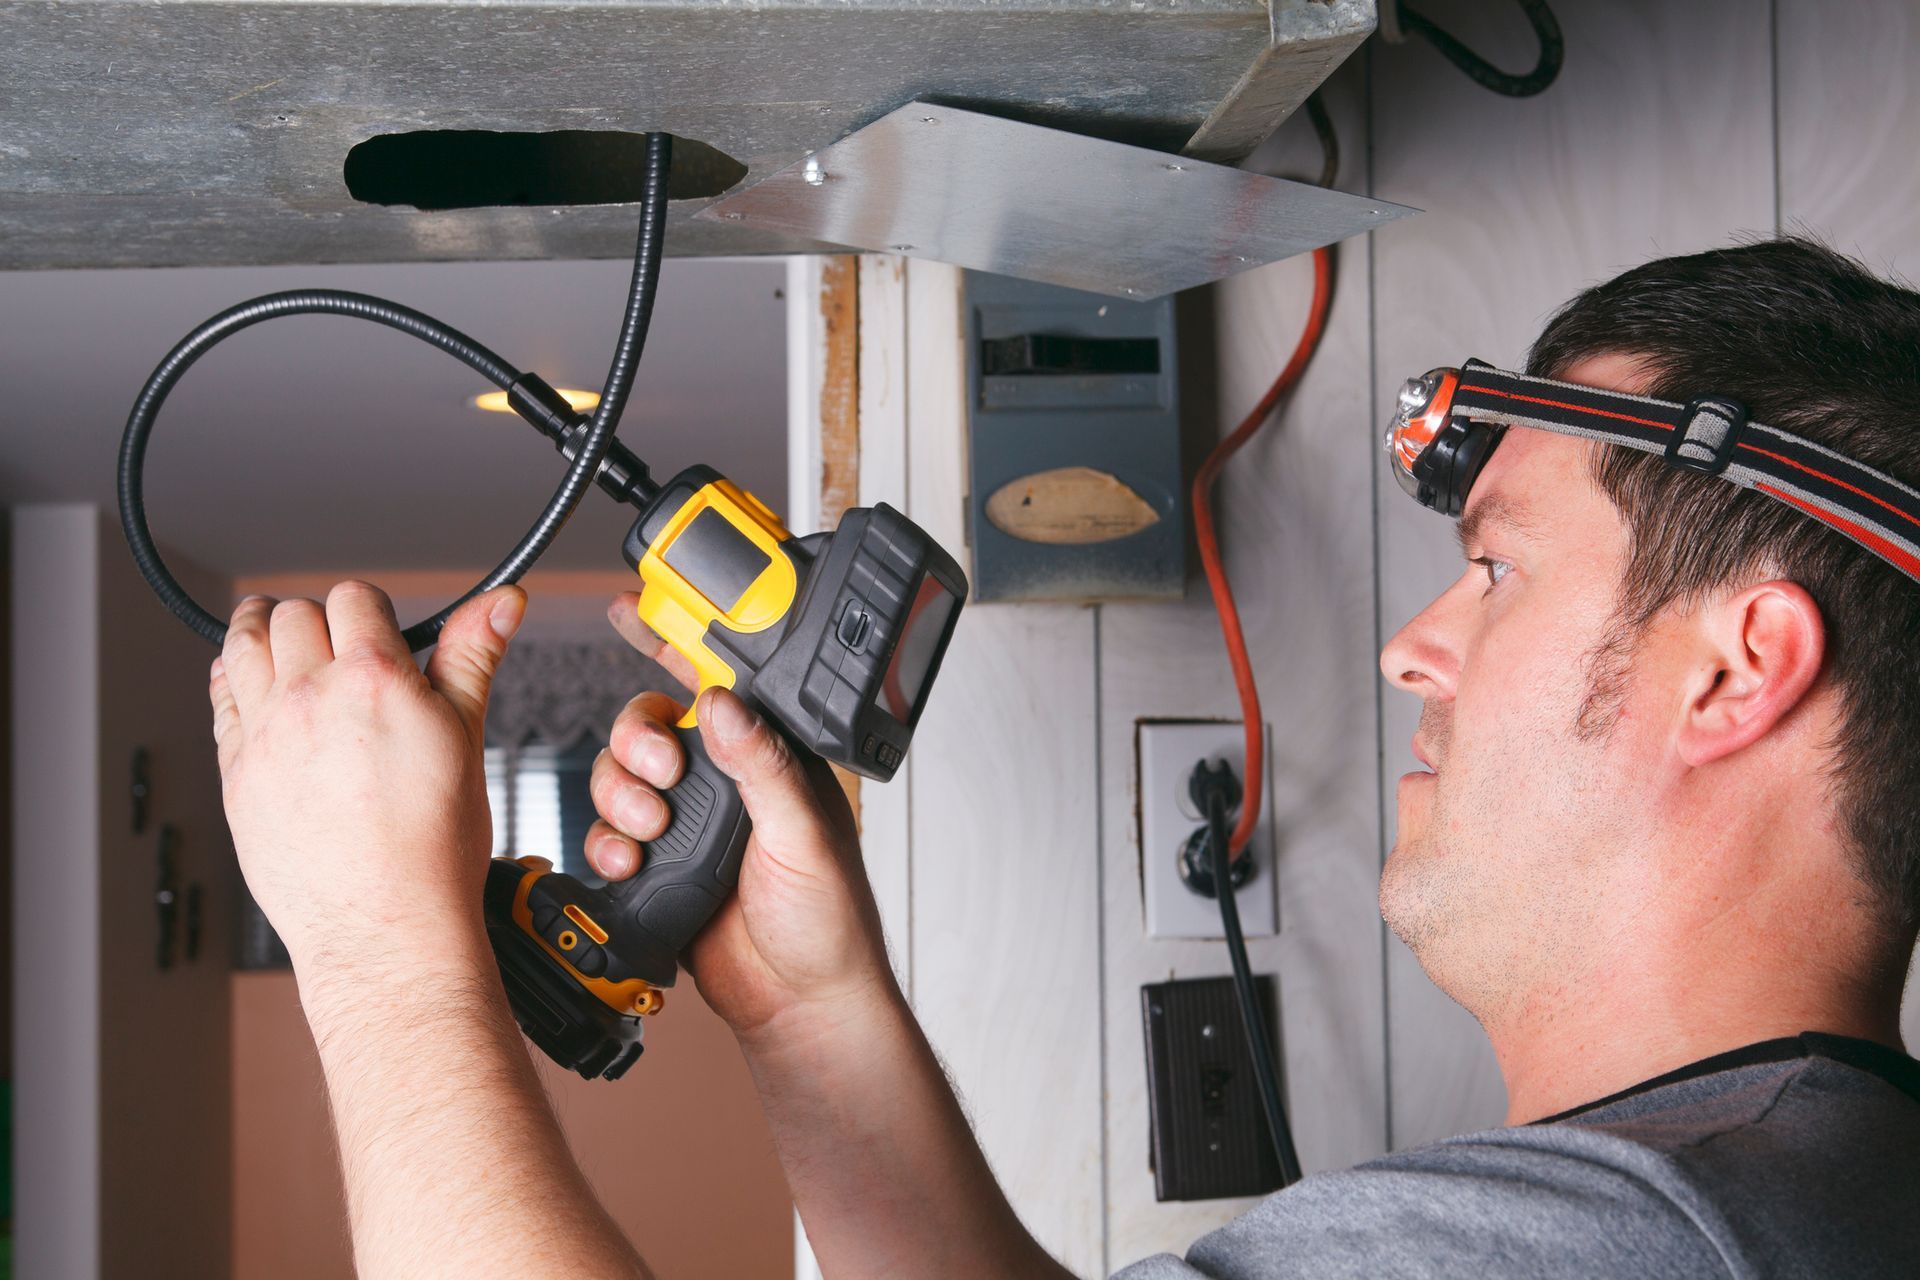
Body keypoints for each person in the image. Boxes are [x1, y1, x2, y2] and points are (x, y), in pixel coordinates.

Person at [209, 238, 1920, 1279]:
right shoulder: (1779, 1195)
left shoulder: (1638, 1244)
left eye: (1498, 566)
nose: (1420, 642)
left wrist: (376, 955)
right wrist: (812, 1011)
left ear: (1736, 670)